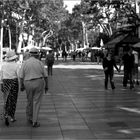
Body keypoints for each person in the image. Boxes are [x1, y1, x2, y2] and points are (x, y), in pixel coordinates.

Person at [19, 47, 48, 127]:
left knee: (29, 100)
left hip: (27, 82)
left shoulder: (25, 63)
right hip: (38, 82)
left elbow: (21, 76)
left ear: (30, 54)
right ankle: (34, 121)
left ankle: (29, 117)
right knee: (36, 102)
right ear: (37, 55)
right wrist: (46, 86)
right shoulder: (39, 63)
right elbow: (45, 76)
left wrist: (21, 85)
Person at [0, 50, 20, 126]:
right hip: (14, 83)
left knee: (6, 100)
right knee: (13, 100)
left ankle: (5, 115)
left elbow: (1, 76)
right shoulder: (16, 65)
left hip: (5, 82)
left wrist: (1, 84)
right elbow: (18, 75)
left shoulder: (3, 65)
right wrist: (21, 85)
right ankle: (12, 117)